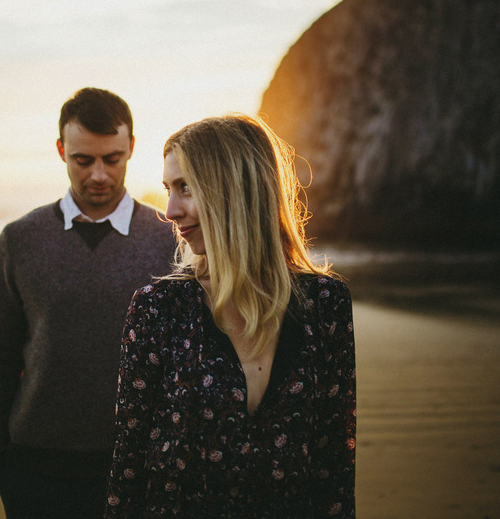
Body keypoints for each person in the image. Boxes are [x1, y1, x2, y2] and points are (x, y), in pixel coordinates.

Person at [104, 113, 357, 518]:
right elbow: (128, 466)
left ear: (237, 188)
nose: (170, 211)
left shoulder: (325, 304)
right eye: (168, 189)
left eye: (186, 187)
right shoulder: (158, 308)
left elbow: (335, 465)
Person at [0, 87, 177, 519]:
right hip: (35, 465)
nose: (99, 175)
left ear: (131, 148)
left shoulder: (171, 241)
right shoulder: (20, 240)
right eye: (83, 160)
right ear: (61, 151)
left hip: (141, 466)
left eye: (112, 158)